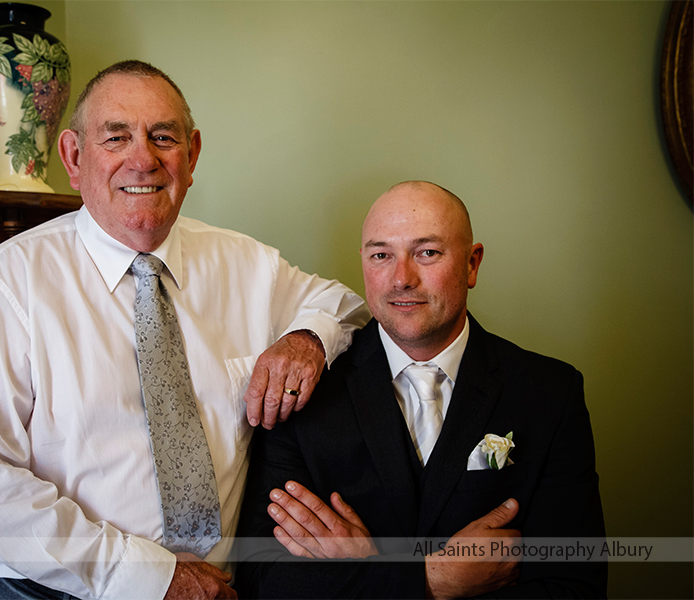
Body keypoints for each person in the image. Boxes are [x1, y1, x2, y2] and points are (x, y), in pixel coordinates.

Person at [0, 60, 369, 600]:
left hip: (217, 587)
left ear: (192, 156)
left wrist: (305, 341)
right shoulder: (10, 279)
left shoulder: (246, 263)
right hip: (49, 589)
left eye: (163, 137)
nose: (143, 159)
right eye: (116, 137)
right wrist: (148, 577)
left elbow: (347, 307)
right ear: (74, 156)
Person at [235, 181, 607, 598]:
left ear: (472, 263)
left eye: (427, 253)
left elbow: (575, 587)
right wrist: (431, 581)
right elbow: (265, 582)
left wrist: (366, 574)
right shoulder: (303, 394)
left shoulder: (550, 393)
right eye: (381, 255)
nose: (401, 279)